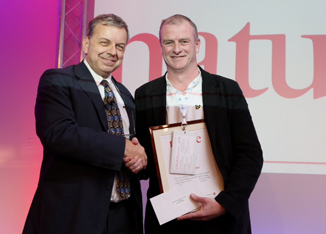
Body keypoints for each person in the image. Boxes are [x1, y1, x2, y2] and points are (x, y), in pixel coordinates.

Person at [134, 14, 263, 234]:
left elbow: (250, 155)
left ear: (197, 44)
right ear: (161, 46)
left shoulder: (227, 90)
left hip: (222, 220)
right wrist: (137, 159)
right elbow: (145, 166)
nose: (177, 49)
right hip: (168, 222)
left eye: (184, 41)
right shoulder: (145, 94)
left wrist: (225, 204)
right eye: (169, 42)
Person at [23, 14, 147, 234]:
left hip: (124, 216)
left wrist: (137, 158)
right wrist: (123, 148)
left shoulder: (126, 95)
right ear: (87, 44)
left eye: (120, 46)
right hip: (75, 214)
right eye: (105, 42)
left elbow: (130, 146)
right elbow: (59, 133)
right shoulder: (58, 80)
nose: (113, 52)